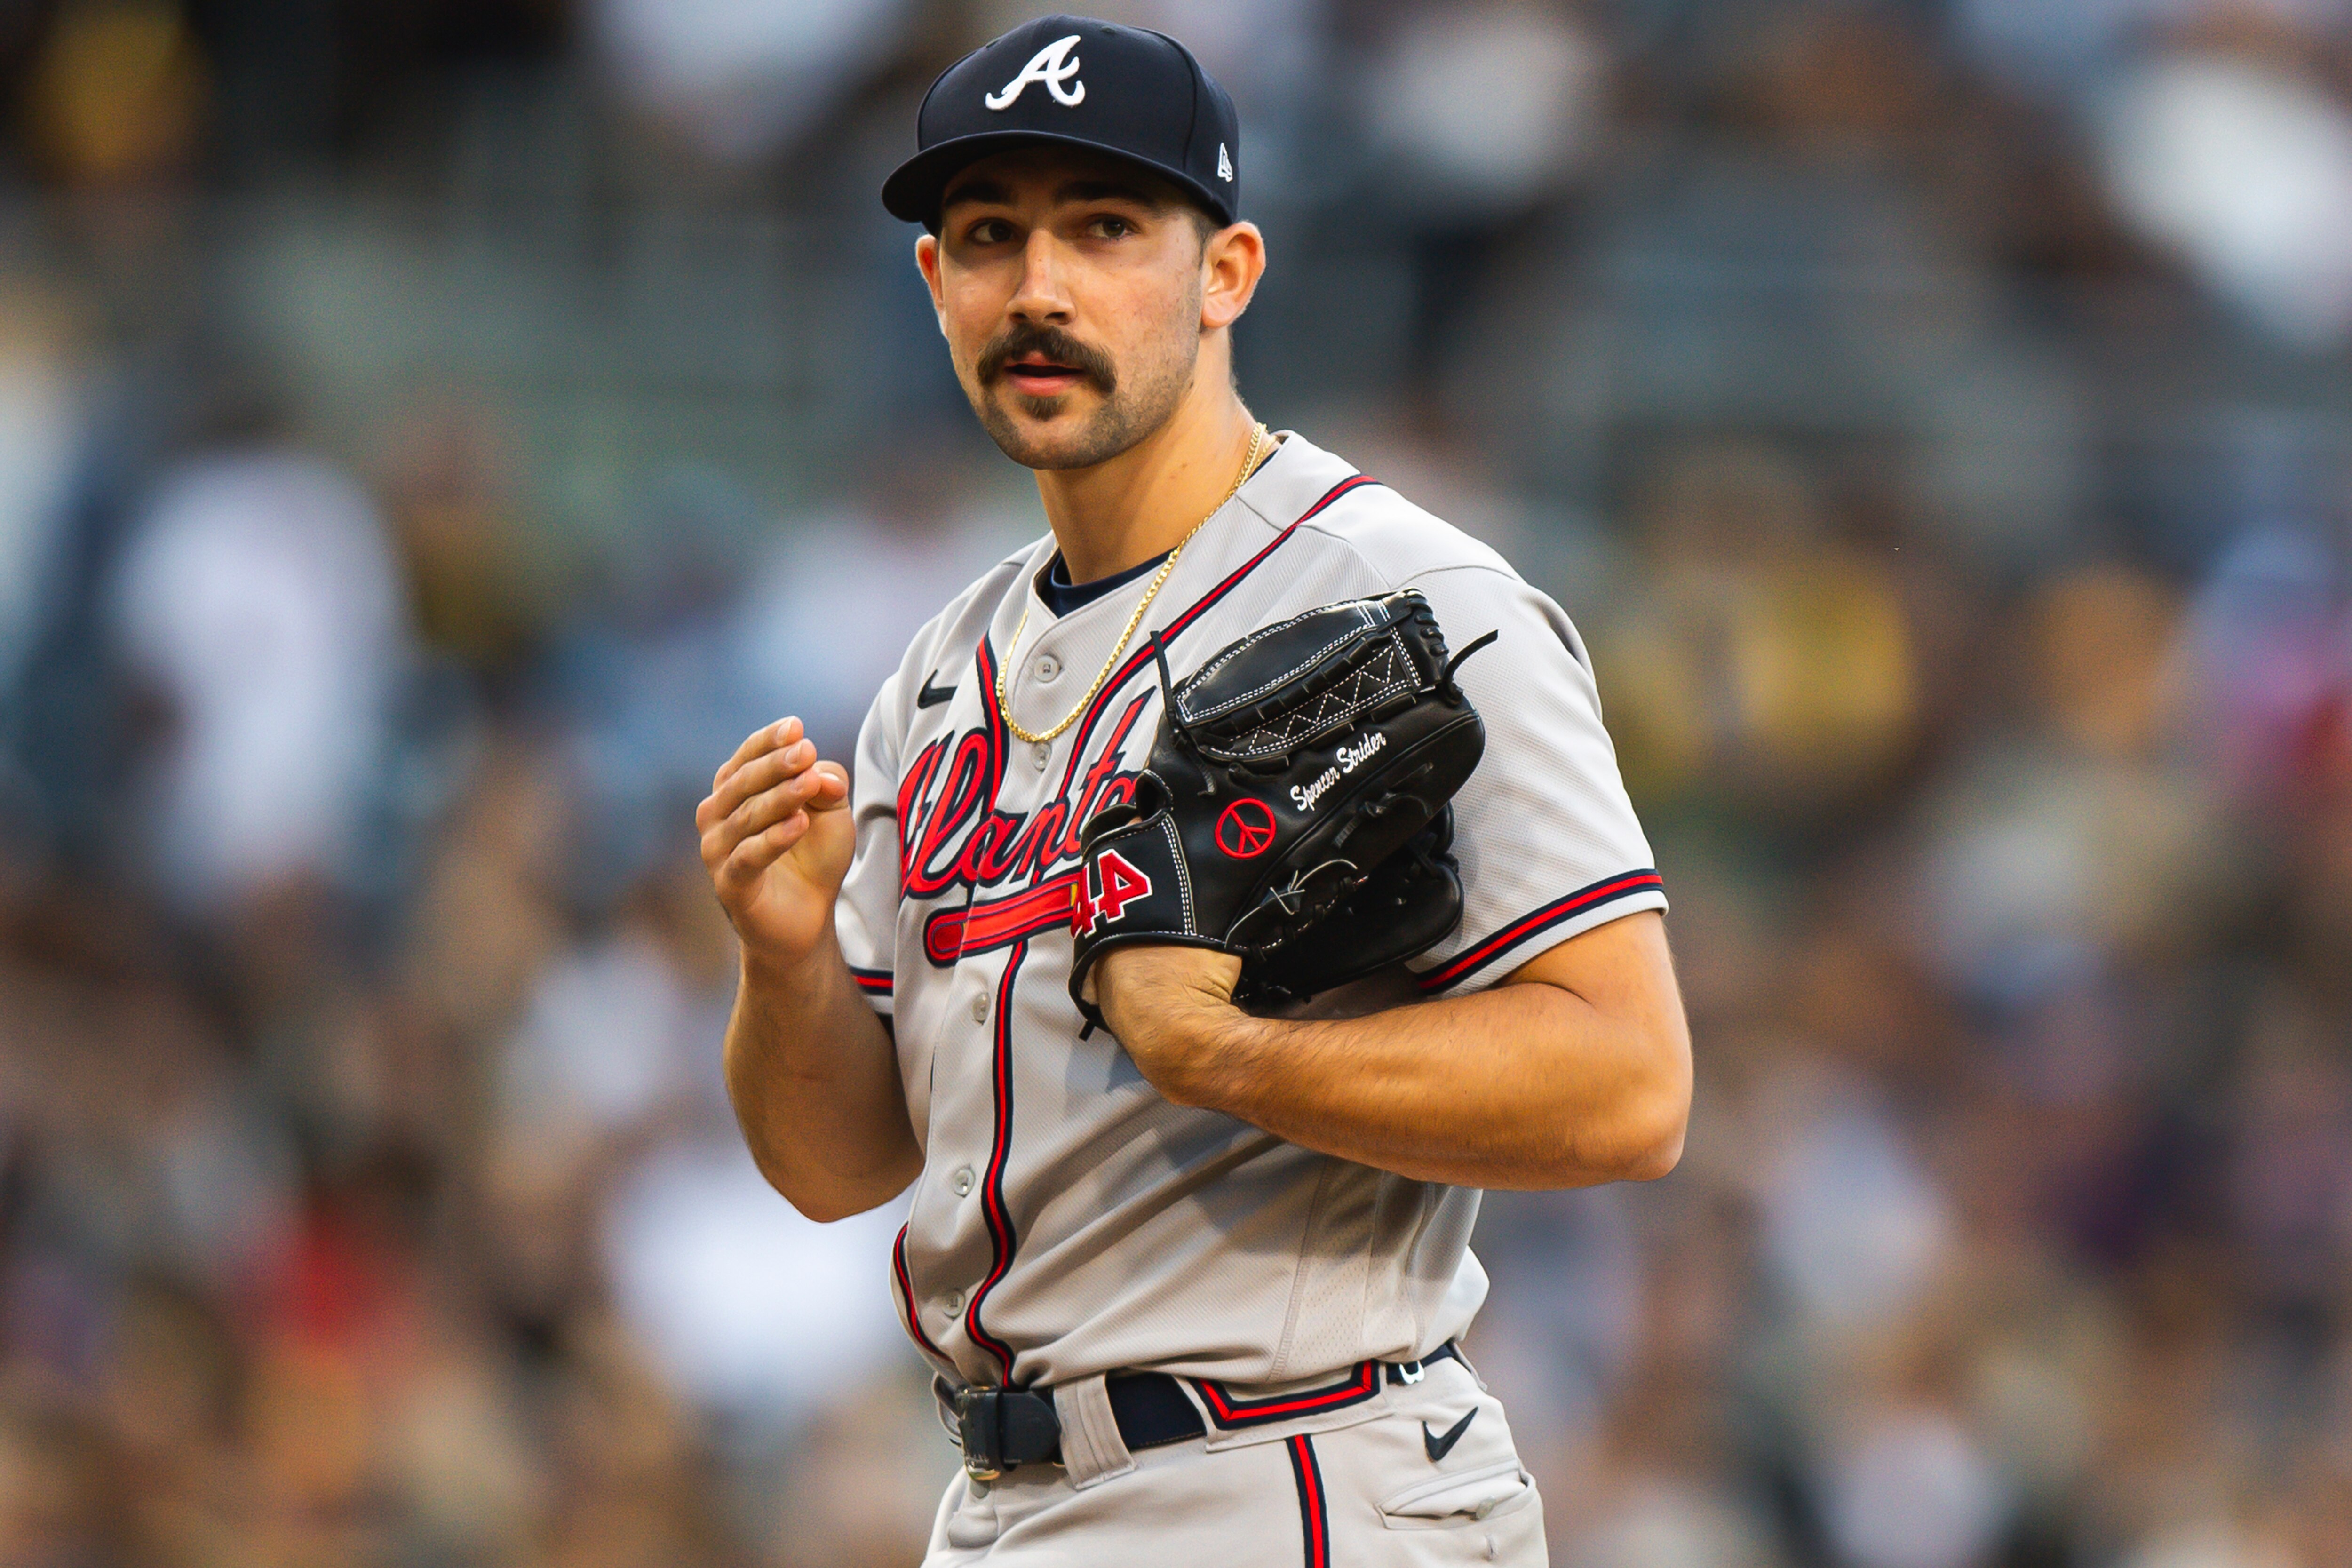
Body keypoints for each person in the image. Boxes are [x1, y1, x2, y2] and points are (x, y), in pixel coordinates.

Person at [694, 16, 1691, 1563]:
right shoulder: (942, 669)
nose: (1039, 288)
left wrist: (1226, 1055)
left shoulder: (1406, 601)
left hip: (1292, 1475)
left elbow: (1631, 1086)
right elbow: (842, 1169)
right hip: (1001, 1504)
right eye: (987, 237)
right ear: (935, 287)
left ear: (1227, 272)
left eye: (1105, 228)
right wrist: (781, 956)